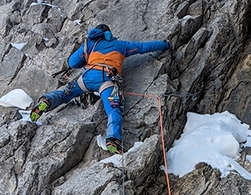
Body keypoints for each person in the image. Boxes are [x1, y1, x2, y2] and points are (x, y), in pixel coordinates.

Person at [30, 24, 170, 154]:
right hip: (107, 80)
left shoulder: (90, 43)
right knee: (113, 109)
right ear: (109, 34)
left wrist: (87, 58)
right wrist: (165, 44)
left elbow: (73, 62)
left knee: (65, 93)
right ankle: (113, 139)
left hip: (86, 77)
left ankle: (47, 100)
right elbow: (144, 47)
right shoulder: (120, 45)